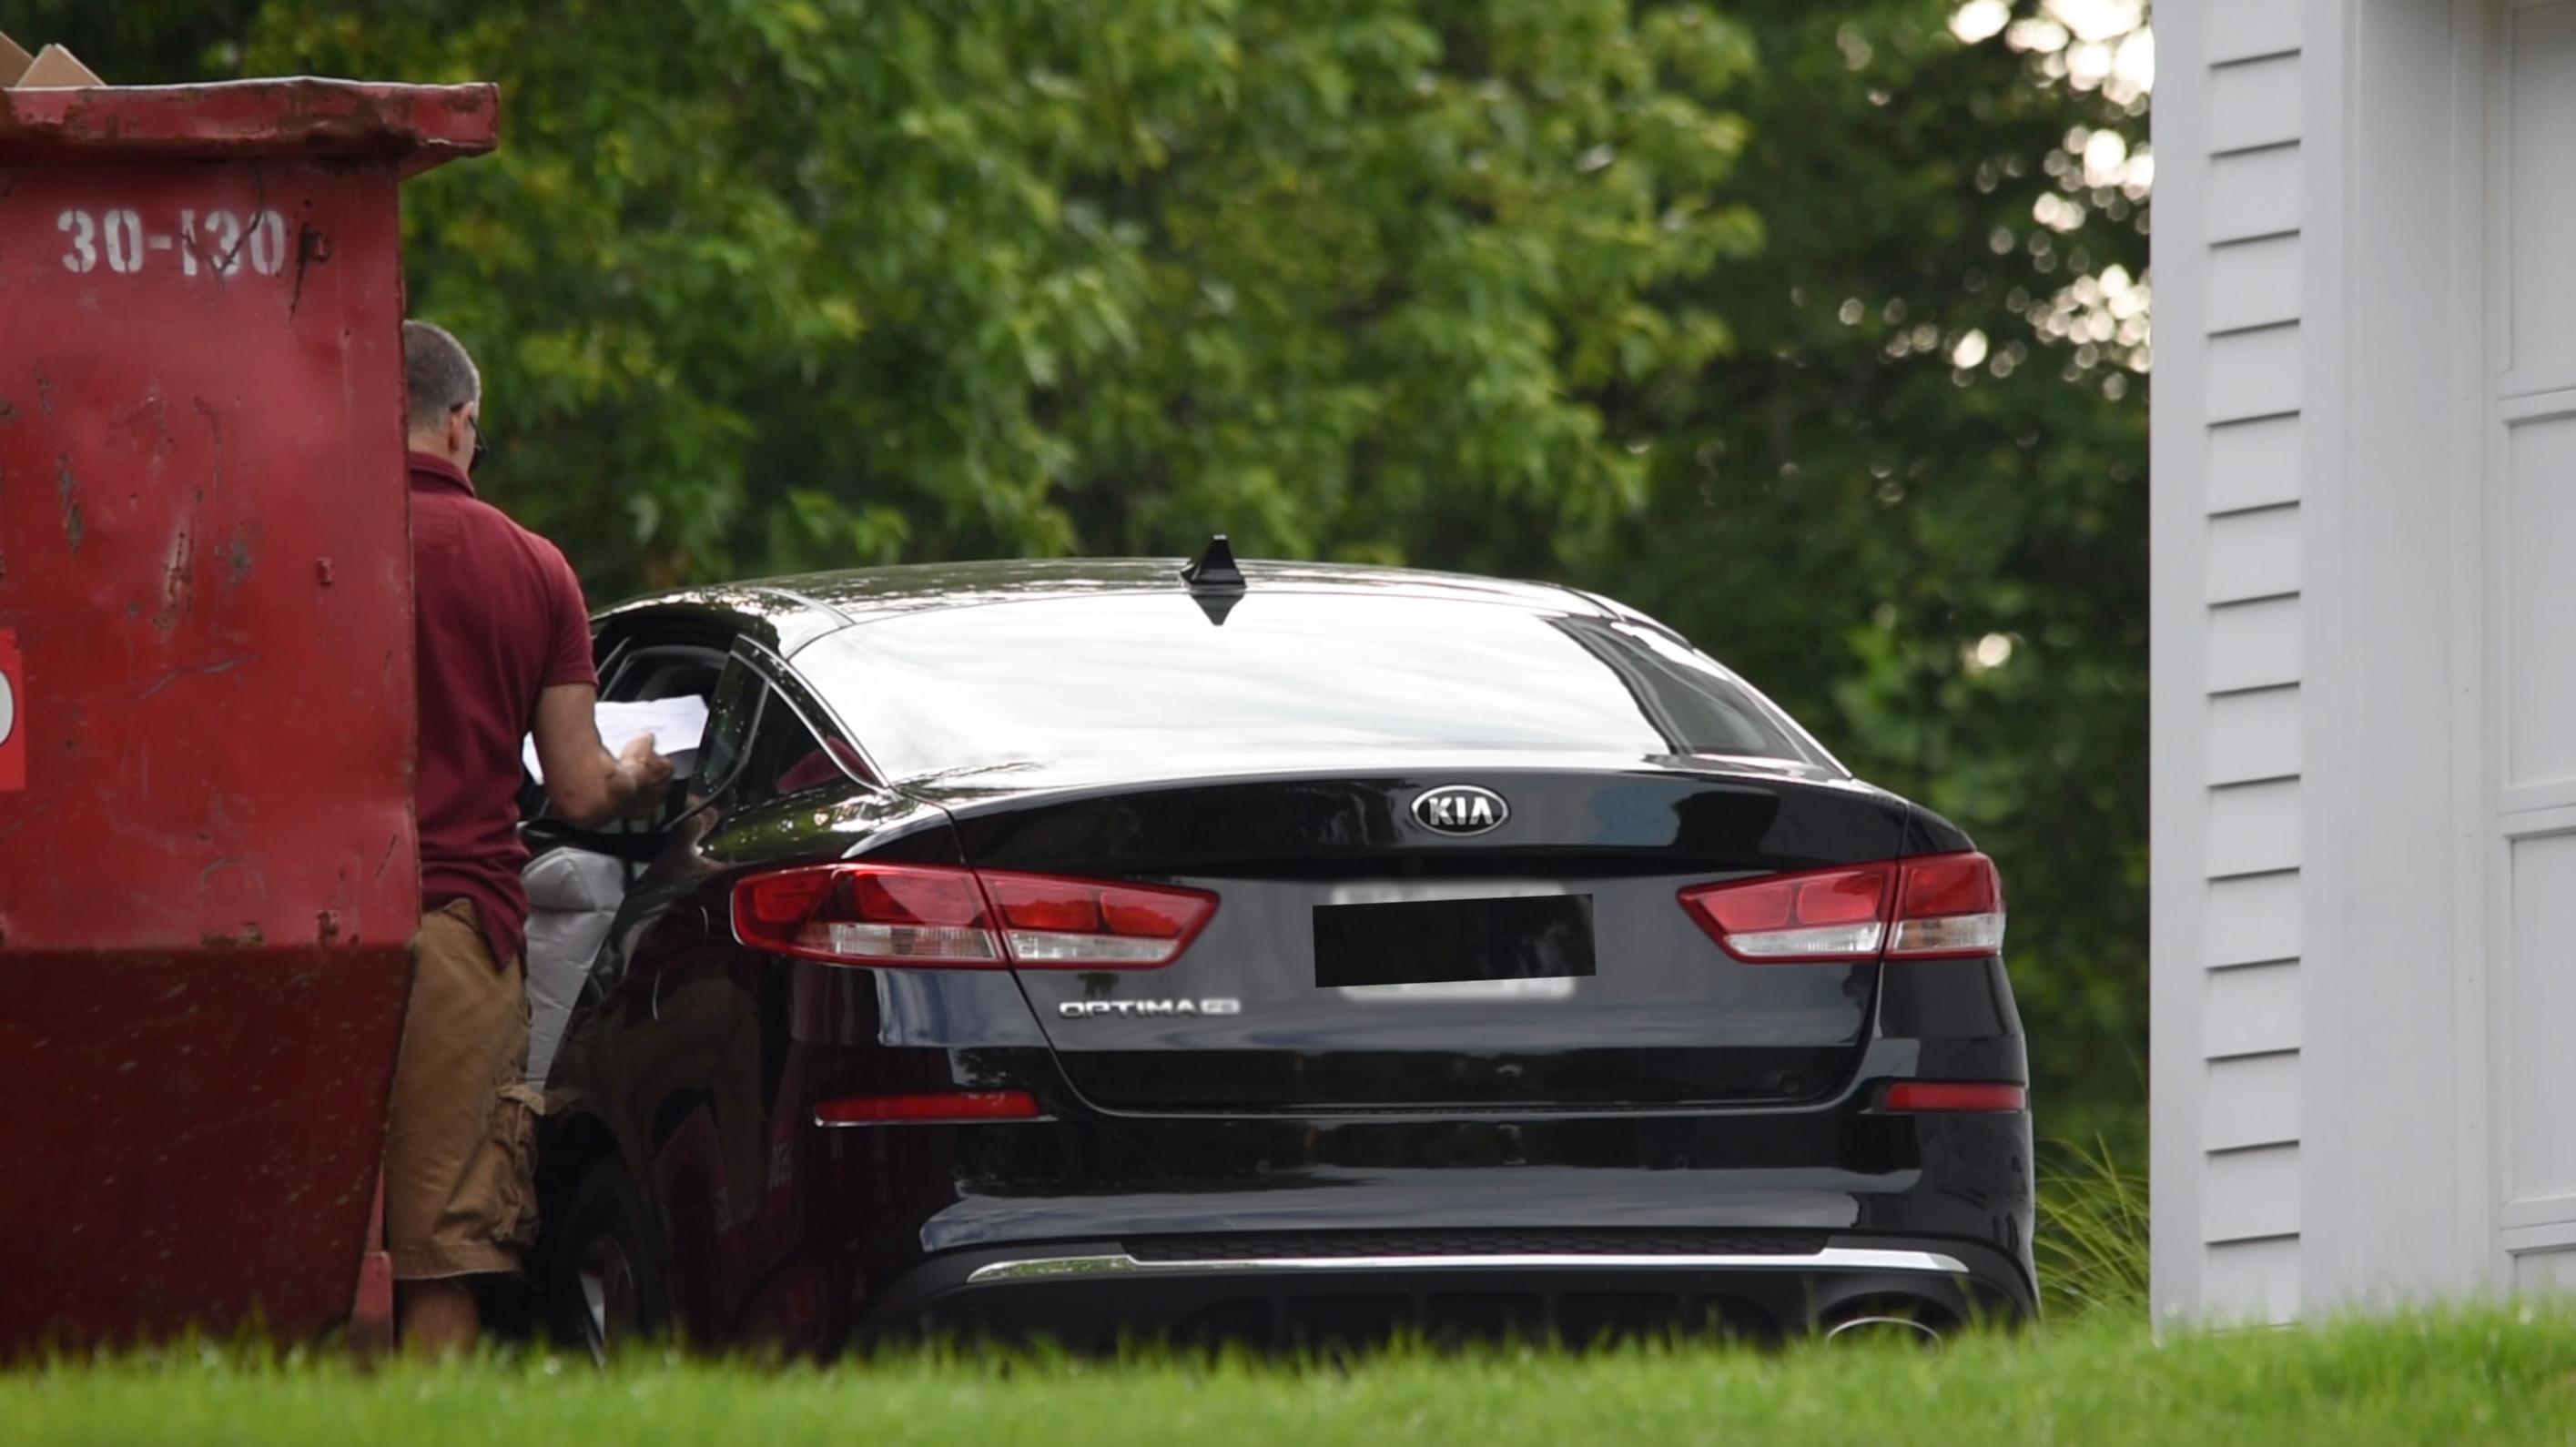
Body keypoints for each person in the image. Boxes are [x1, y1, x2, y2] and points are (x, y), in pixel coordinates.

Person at [385, 320, 674, 1356]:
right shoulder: (534, 569)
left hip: (299, 922)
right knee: (443, 1250)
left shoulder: (302, 546)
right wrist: (642, 770)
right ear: (462, 423)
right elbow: (582, 790)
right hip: (456, 933)